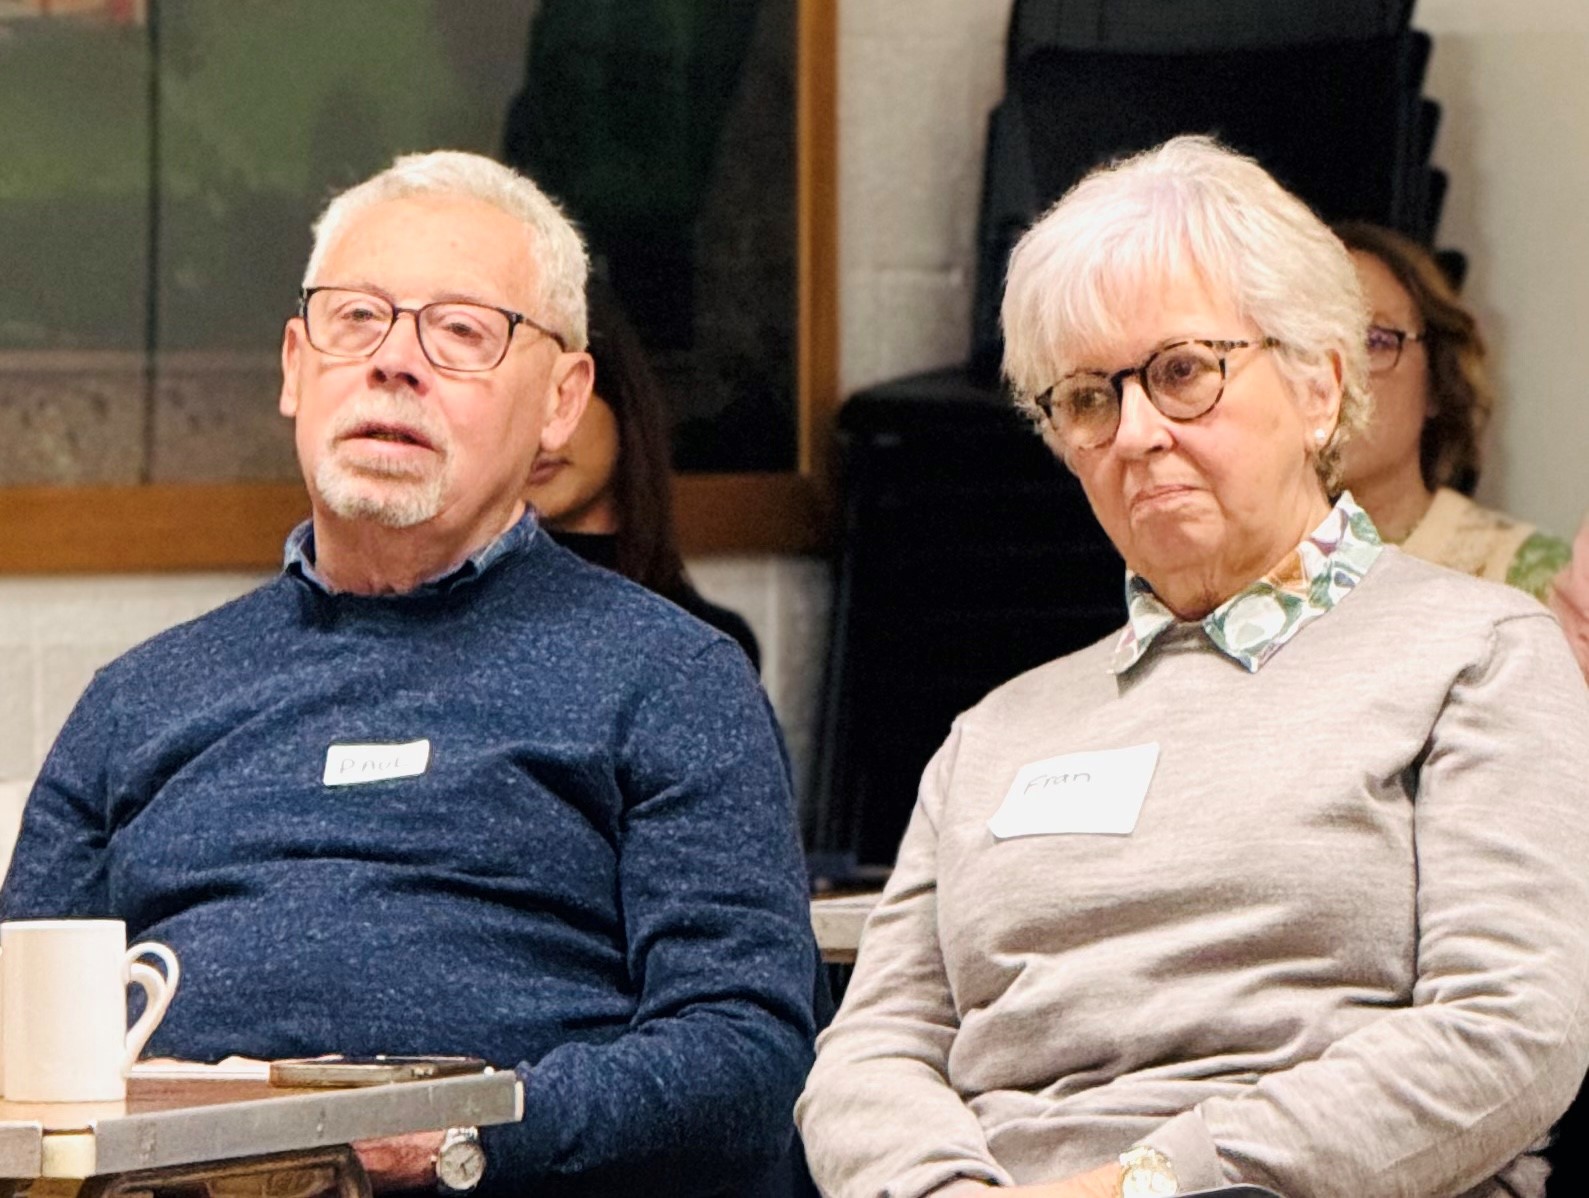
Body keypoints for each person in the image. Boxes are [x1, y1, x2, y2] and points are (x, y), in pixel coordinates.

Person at [0, 150, 816, 1198]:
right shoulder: (139, 699)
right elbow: (18, 1039)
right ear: (294, 367)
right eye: (357, 319)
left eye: (461, 332)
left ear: (562, 401)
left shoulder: (670, 679)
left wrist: (455, 1136)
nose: (394, 362)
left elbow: (745, 1058)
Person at [795, 136, 1589, 1198]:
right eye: (1087, 398)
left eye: (1181, 373)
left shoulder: (1477, 654)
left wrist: (1147, 1183)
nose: (1134, 434)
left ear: (1319, 386)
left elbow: (1511, 1031)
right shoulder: (993, 733)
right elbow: (869, 1052)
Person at [525, 280, 761, 668]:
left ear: (621, 398)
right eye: (517, 404)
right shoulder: (460, 623)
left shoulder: (708, 643)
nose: (540, 430)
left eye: (563, 393)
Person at [1333, 220, 1570, 599]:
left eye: (1375, 341)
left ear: (1437, 382)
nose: (1340, 373)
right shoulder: (1243, 566)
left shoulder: (1535, 573)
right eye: (1312, 343)